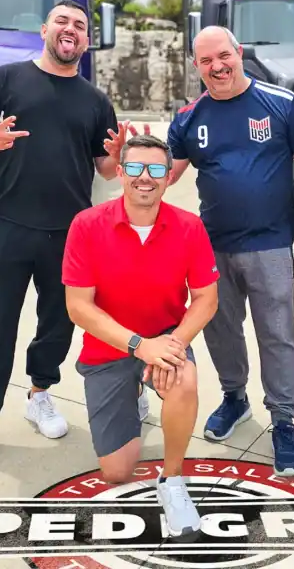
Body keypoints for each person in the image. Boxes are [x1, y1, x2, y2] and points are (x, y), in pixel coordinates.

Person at [0, 0, 144, 475]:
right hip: (7, 223)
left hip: (70, 232)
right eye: (62, 22)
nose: (70, 29)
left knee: (58, 323)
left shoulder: (95, 101)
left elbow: (107, 171)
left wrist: (117, 155)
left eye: (79, 25)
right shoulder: (7, 79)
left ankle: (40, 395)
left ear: (87, 41)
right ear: (45, 30)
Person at [166, 25, 294, 477]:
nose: (217, 67)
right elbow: (167, 175)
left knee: (276, 334)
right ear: (195, 67)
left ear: (239, 53)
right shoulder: (189, 117)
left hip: (270, 244)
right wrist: (132, 161)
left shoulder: (281, 103)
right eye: (205, 61)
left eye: (223, 56)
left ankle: (282, 421)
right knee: (221, 330)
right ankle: (234, 397)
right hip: (211, 248)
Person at [63, 133, 220, 539]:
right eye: (134, 167)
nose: (144, 177)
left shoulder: (189, 227)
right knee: (116, 472)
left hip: (166, 339)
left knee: (184, 378)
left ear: (169, 176)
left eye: (155, 169)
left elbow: (206, 299)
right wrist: (139, 346)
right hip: (110, 349)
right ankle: (135, 393)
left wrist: (175, 344)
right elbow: (78, 307)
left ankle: (172, 480)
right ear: (120, 173)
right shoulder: (87, 224)